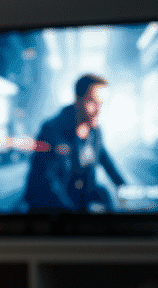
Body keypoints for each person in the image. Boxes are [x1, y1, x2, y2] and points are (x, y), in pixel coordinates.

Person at [22, 73, 126, 213]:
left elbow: (105, 159)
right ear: (77, 100)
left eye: (102, 103)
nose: (98, 110)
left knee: (103, 194)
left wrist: (125, 188)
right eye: (92, 102)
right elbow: (45, 182)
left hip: (79, 202)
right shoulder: (51, 131)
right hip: (49, 211)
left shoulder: (95, 132)